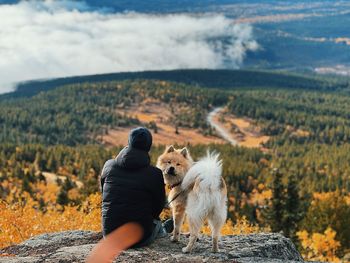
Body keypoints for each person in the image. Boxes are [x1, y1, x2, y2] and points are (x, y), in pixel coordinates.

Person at [87, 127, 167, 263]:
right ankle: (164, 229)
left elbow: (105, 193)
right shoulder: (155, 174)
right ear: (148, 147)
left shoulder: (109, 166)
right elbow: (158, 208)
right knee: (158, 225)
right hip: (139, 238)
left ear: (129, 142)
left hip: (110, 234)